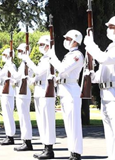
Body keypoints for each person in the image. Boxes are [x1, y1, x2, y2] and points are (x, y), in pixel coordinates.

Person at [84, 15, 115, 160]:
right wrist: (91, 76)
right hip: (107, 95)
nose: (108, 29)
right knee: (111, 140)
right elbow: (103, 74)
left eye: (111, 27)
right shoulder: (111, 48)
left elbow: (105, 59)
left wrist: (91, 45)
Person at [48, 30, 84, 160]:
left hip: (72, 91)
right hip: (65, 90)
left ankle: (76, 152)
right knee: (68, 124)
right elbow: (63, 72)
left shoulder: (77, 55)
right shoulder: (69, 55)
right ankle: (72, 151)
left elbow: (63, 69)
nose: (66, 41)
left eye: (68, 39)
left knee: (74, 124)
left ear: (75, 41)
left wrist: (52, 57)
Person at [22, 35, 56, 159]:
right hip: (39, 90)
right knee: (41, 121)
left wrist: (28, 60)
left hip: (46, 91)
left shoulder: (50, 58)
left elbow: (38, 70)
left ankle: (49, 149)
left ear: (48, 45)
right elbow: (38, 74)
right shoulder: (44, 58)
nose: (40, 47)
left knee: (47, 121)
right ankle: (45, 147)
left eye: (42, 44)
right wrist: (32, 80)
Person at [9, 43, 33, 151]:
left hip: (24, 92)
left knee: (24, 117)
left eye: (20, 51)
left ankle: (27, 141)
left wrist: (10, 66)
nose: (18, 53)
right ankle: (25, 140)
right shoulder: (23, 64)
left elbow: (17, 75)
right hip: (20, 90)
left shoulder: (26, 64)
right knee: (22, 117)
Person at [0, 48, 16, 145]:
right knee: (6, 115)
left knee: (9, 114)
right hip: (4, 90)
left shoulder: (11, 65)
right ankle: (8, 135)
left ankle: (11, 136)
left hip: (8, 91)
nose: (3, 57)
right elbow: (0, 75)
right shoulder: (6, 66)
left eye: (5, 55)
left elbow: (14, 77)